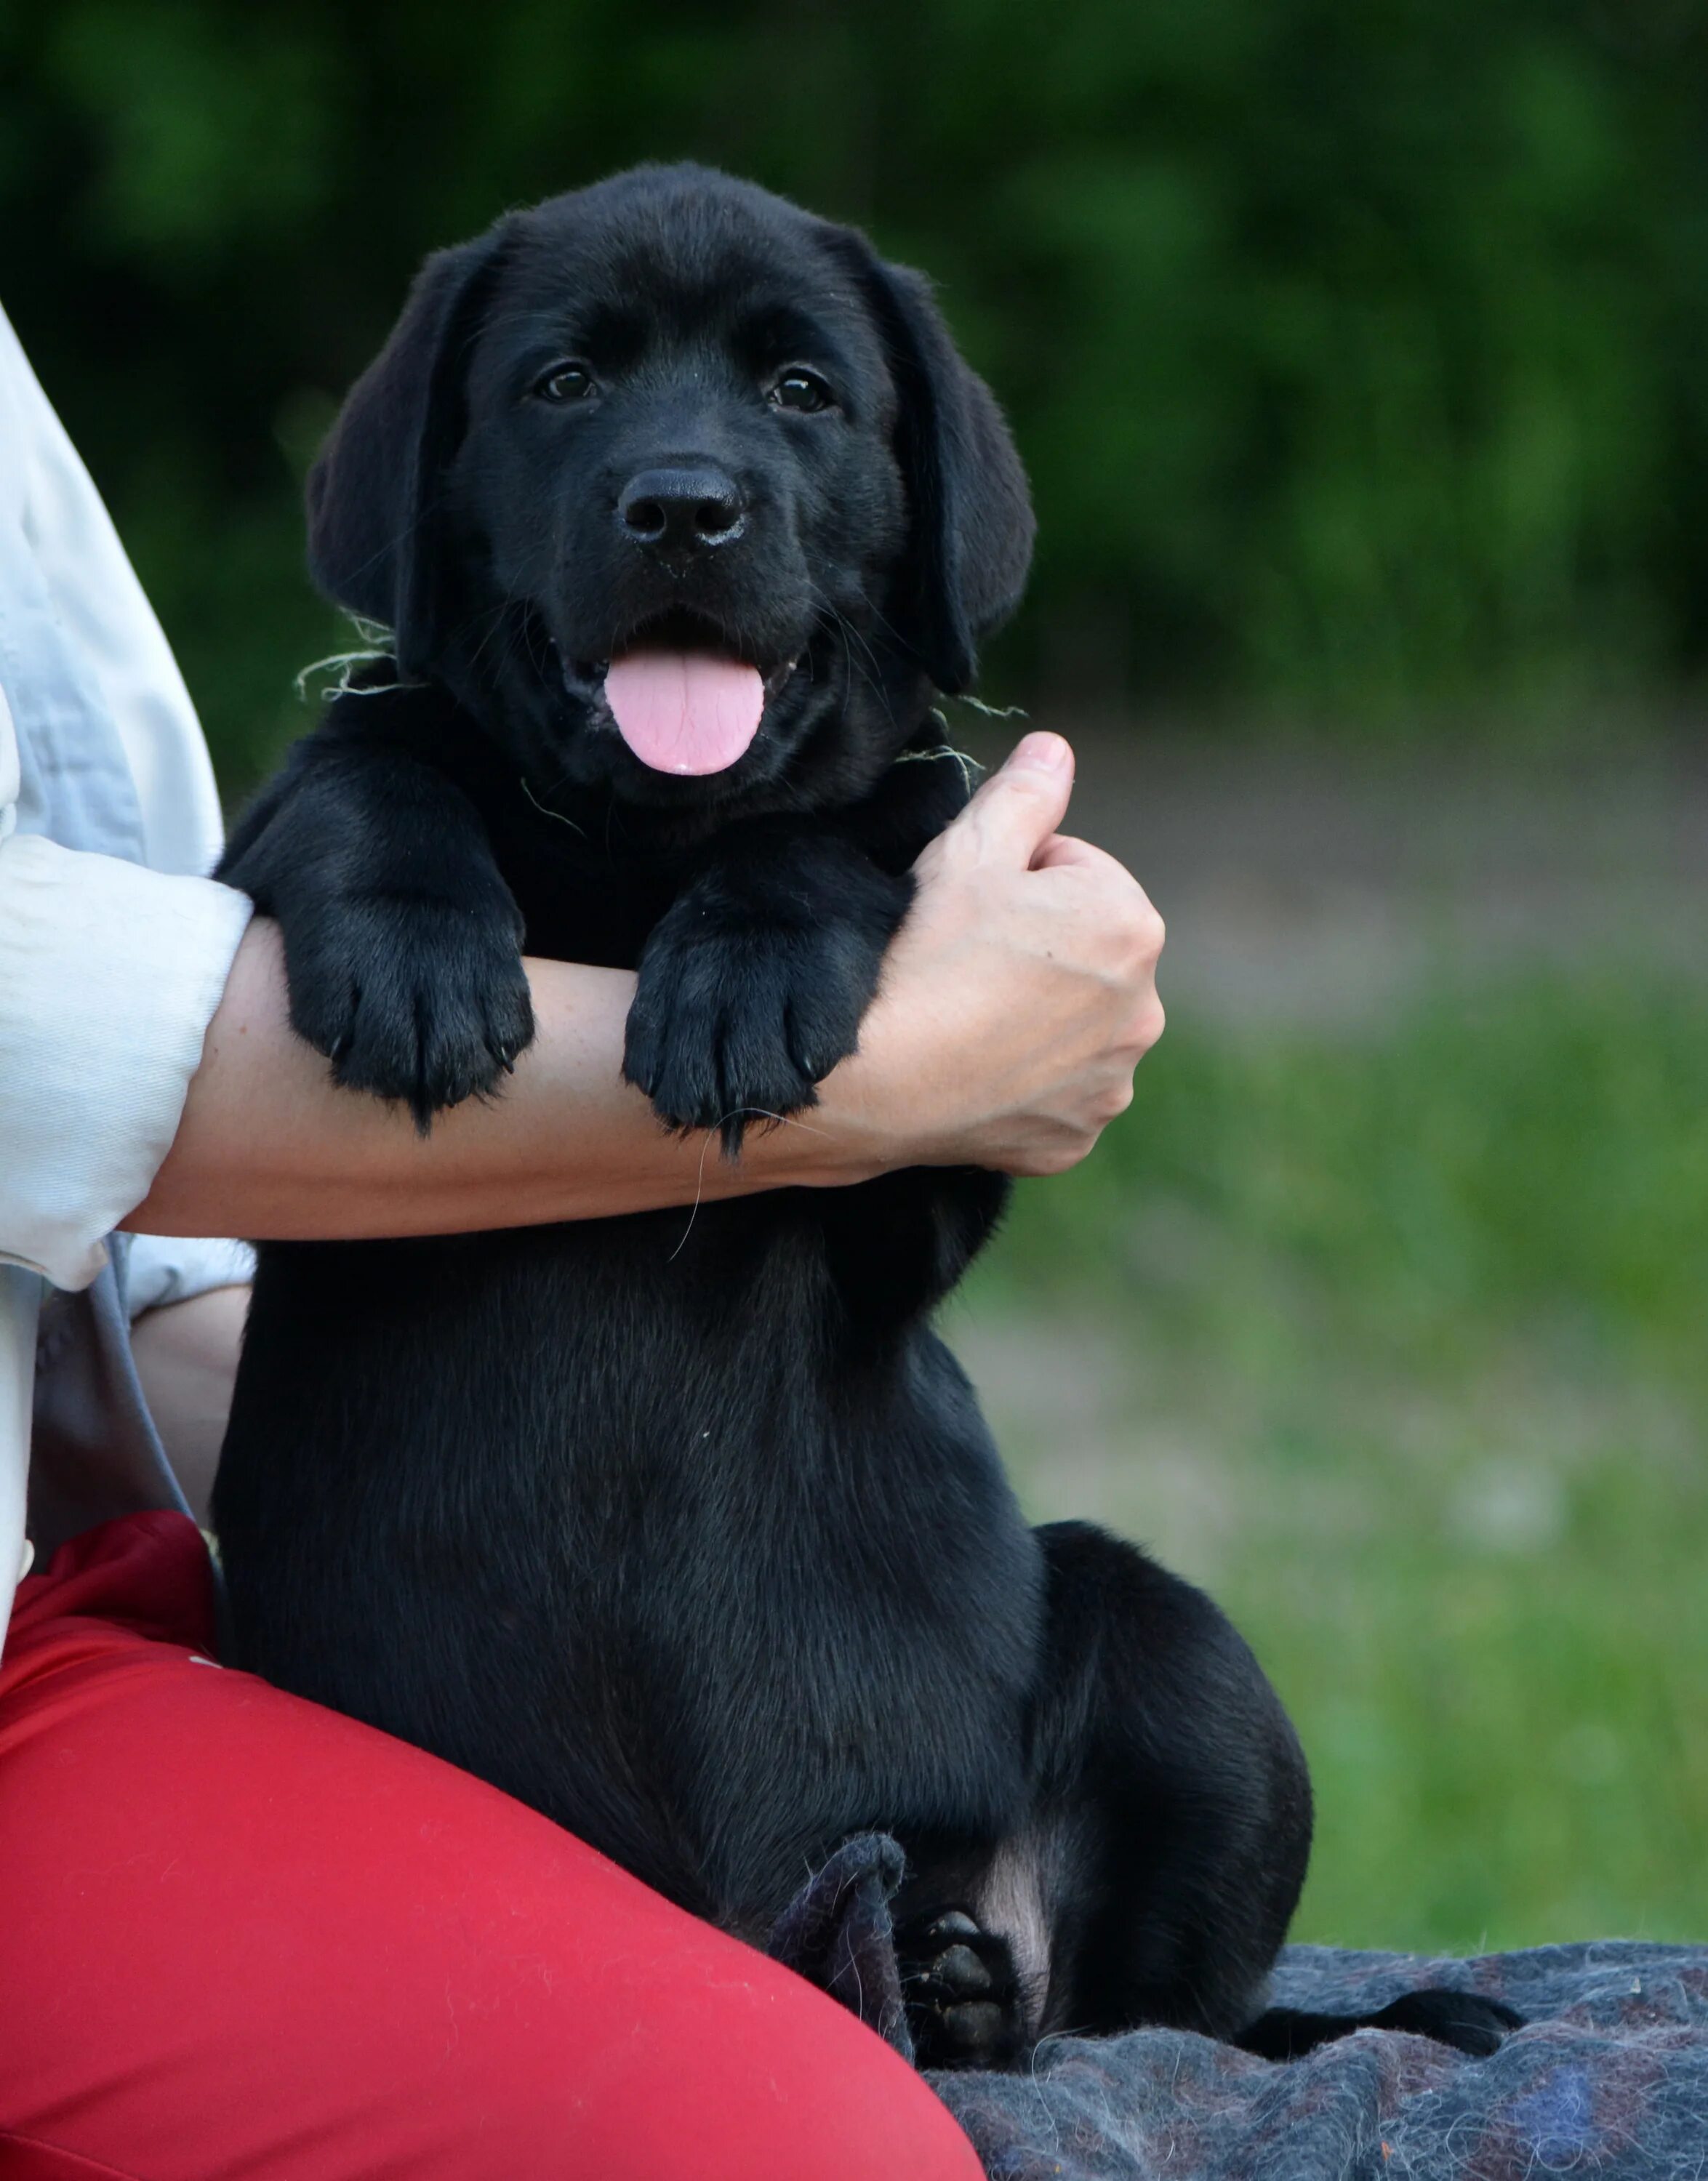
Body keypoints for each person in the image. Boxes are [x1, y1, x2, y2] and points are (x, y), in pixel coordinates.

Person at [0, 295, 1164, 2181]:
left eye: (796, 392)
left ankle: (1117, 2037)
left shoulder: (889, 850)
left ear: (930, 506)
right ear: (423, 500)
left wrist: (838, 912)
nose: (686, 470)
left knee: (1168, 1676)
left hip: (889, 1758)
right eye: (564, 384)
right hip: (270, 1702)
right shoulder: (381, 809)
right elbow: (82, 1004)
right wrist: (886, 1077)